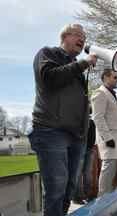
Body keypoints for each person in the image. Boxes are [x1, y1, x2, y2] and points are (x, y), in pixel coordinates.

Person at [28, 24, 97, 216]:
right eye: (78, 35)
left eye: (84, 36)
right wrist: (83, 63)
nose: (83, 39)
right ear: (65, 36)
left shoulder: (74, 67)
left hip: (76, 135)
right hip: (51, 130)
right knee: (56, 189)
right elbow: (49, 78)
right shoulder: (48, 53)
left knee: (68, 190)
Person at [91, 68, 117, 197]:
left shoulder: (110, 93)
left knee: (111, 169)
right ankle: (102, 200)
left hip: (116, 138)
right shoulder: (100, 93)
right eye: (115, 77)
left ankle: (106, 196)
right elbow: (98, 117)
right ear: (106, 77)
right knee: (108, 168)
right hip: (109, 139)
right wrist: (107, 138)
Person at [73, 113, 96, 204]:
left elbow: (93, 137)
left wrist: (90, 148)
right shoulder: (76, 122)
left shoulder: (92, 123)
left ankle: (89, 195)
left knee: (88, 174)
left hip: (89, 150)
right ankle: (77, 197)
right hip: (79, 151)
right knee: (78, 175)